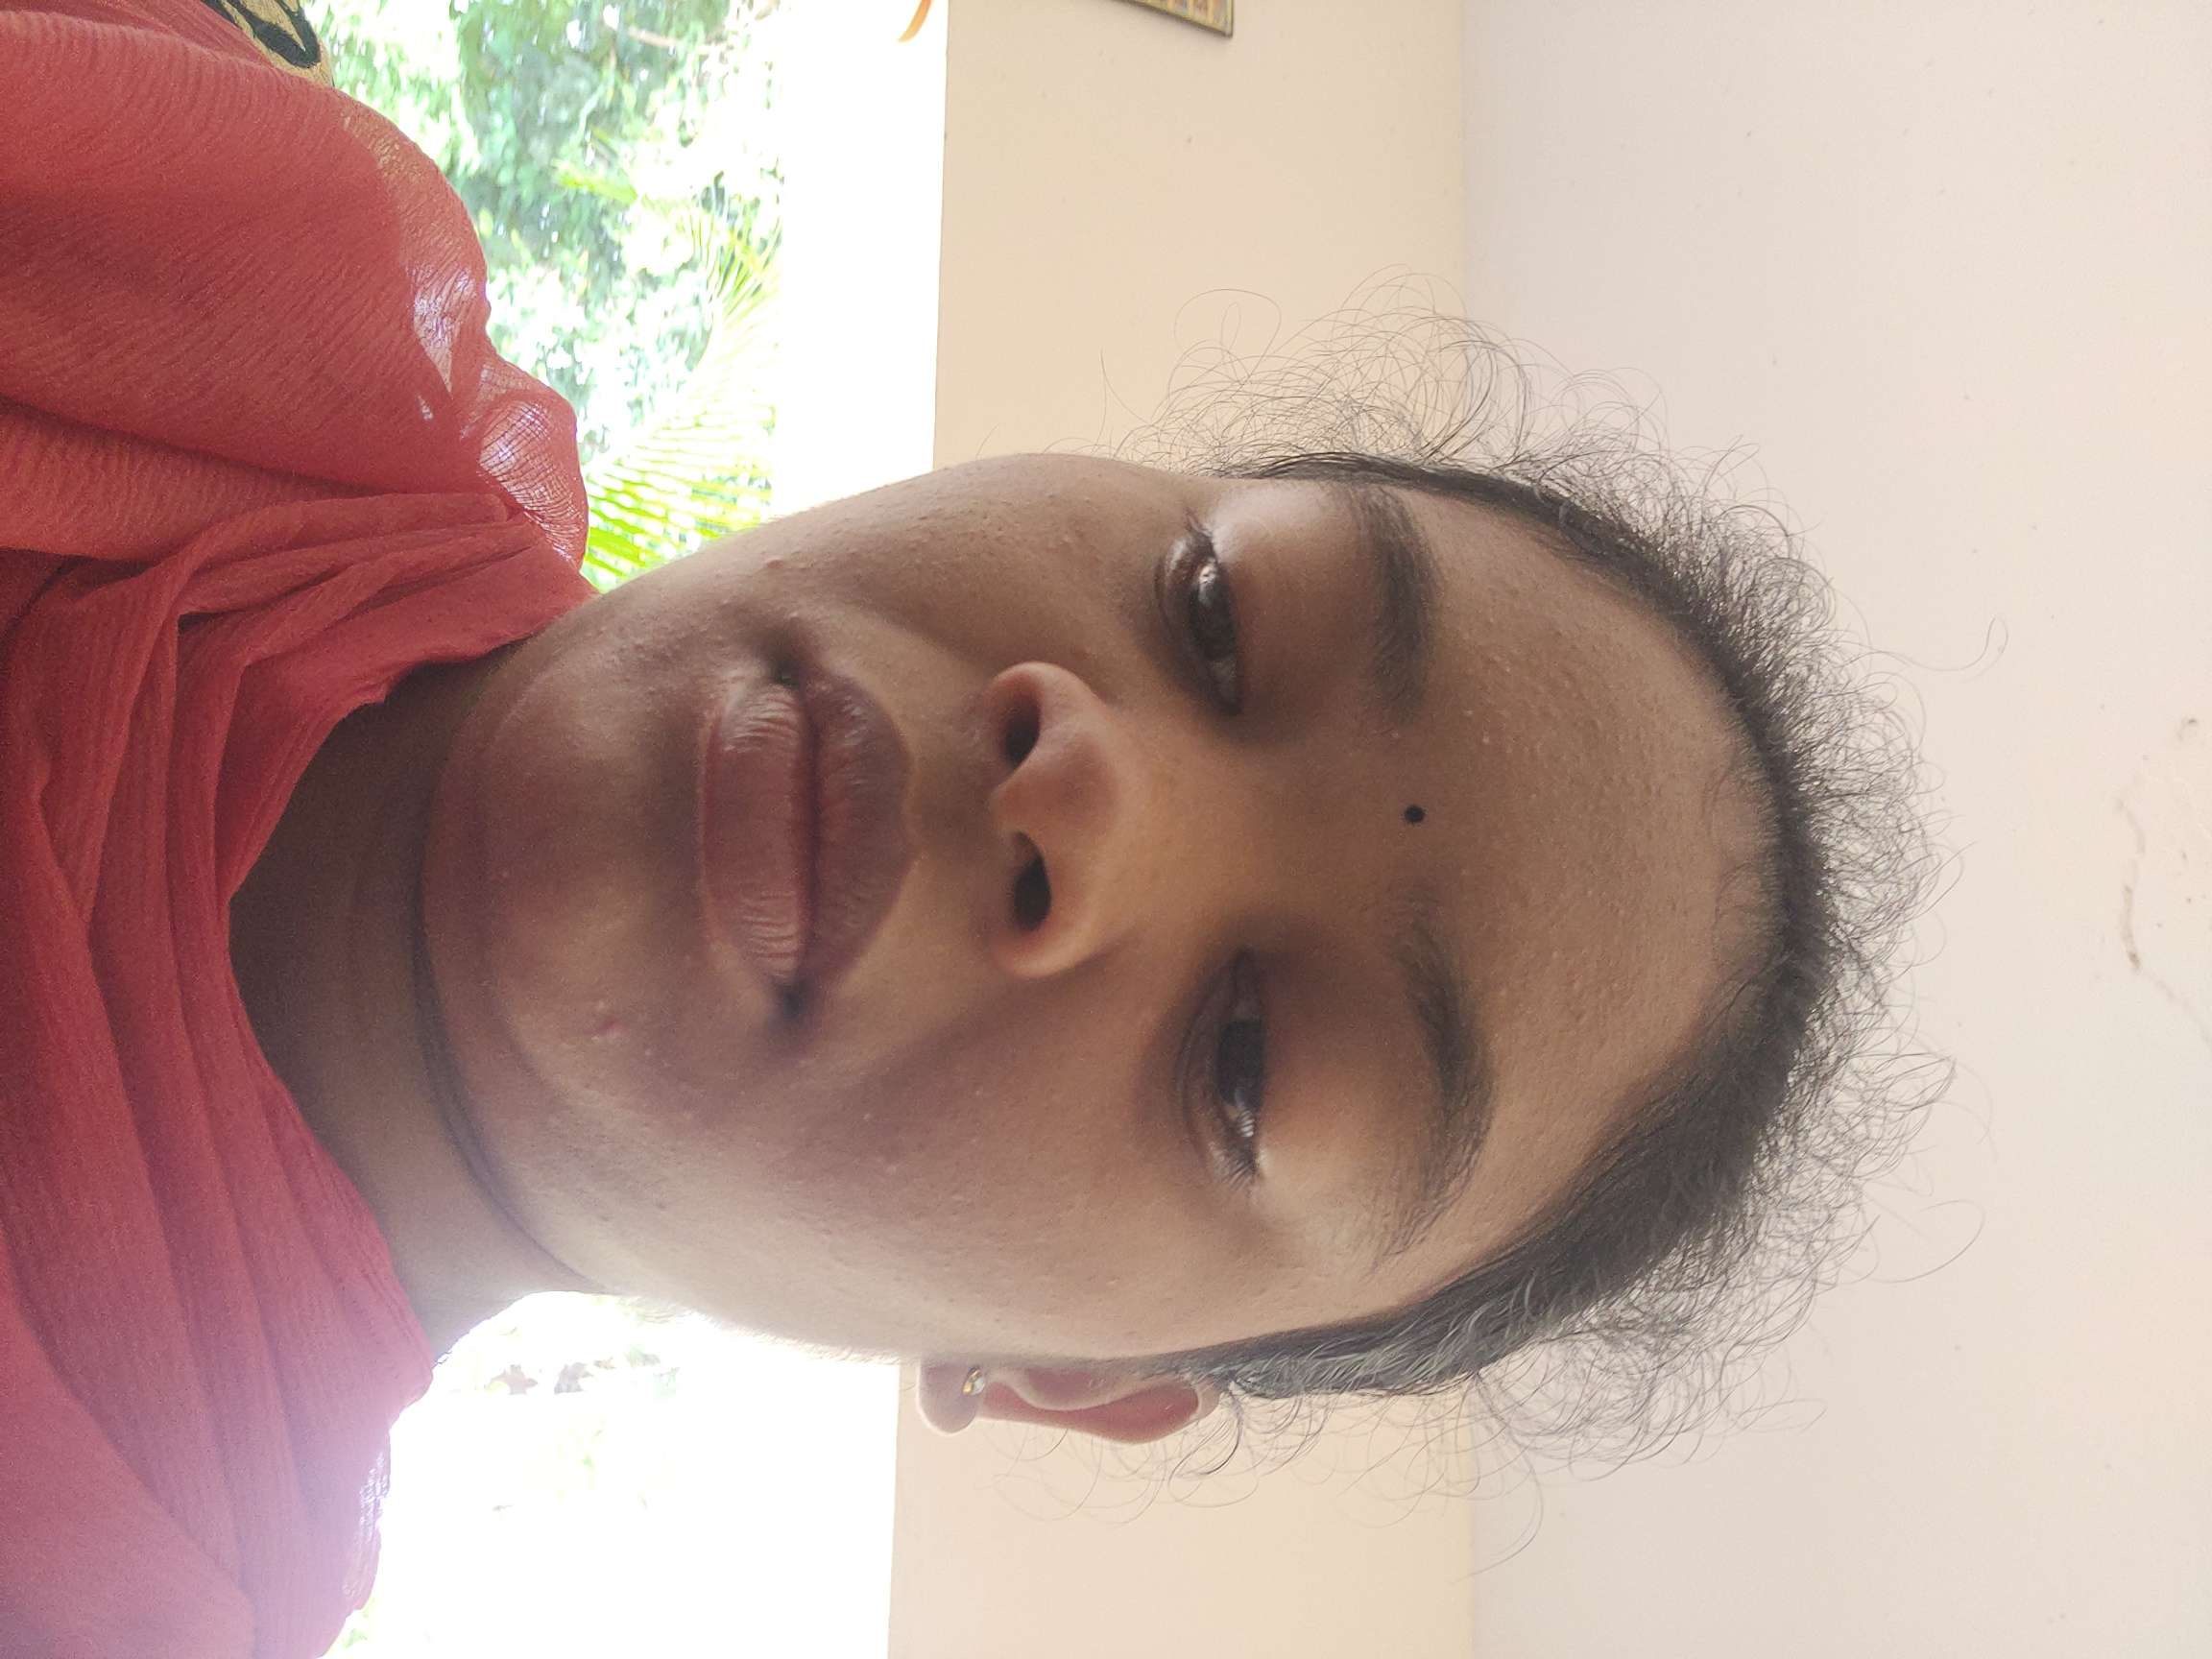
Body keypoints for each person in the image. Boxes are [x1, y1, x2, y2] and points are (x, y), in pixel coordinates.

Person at [0, 0, 1937, 1651]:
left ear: (1070, 1378)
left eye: (1247, 1065)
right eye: (1216, 618)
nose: (1094, 793)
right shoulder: (183, 164)